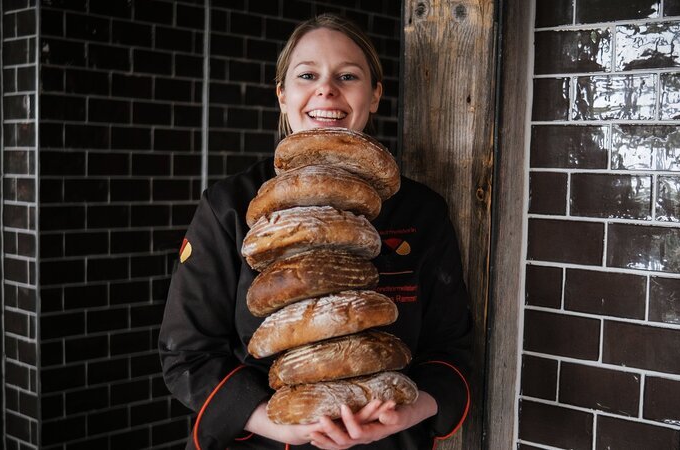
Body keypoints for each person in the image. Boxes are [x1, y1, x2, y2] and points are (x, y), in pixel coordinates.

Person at [159, 13, 473, 450]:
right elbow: (187, 354)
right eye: (307, 75)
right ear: (283, 96)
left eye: (348, 75)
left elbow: (451, 348)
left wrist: (411, 407)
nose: (327, 89)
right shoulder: (232, 206)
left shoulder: (421, 210)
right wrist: (275, 423)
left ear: (375, 94)